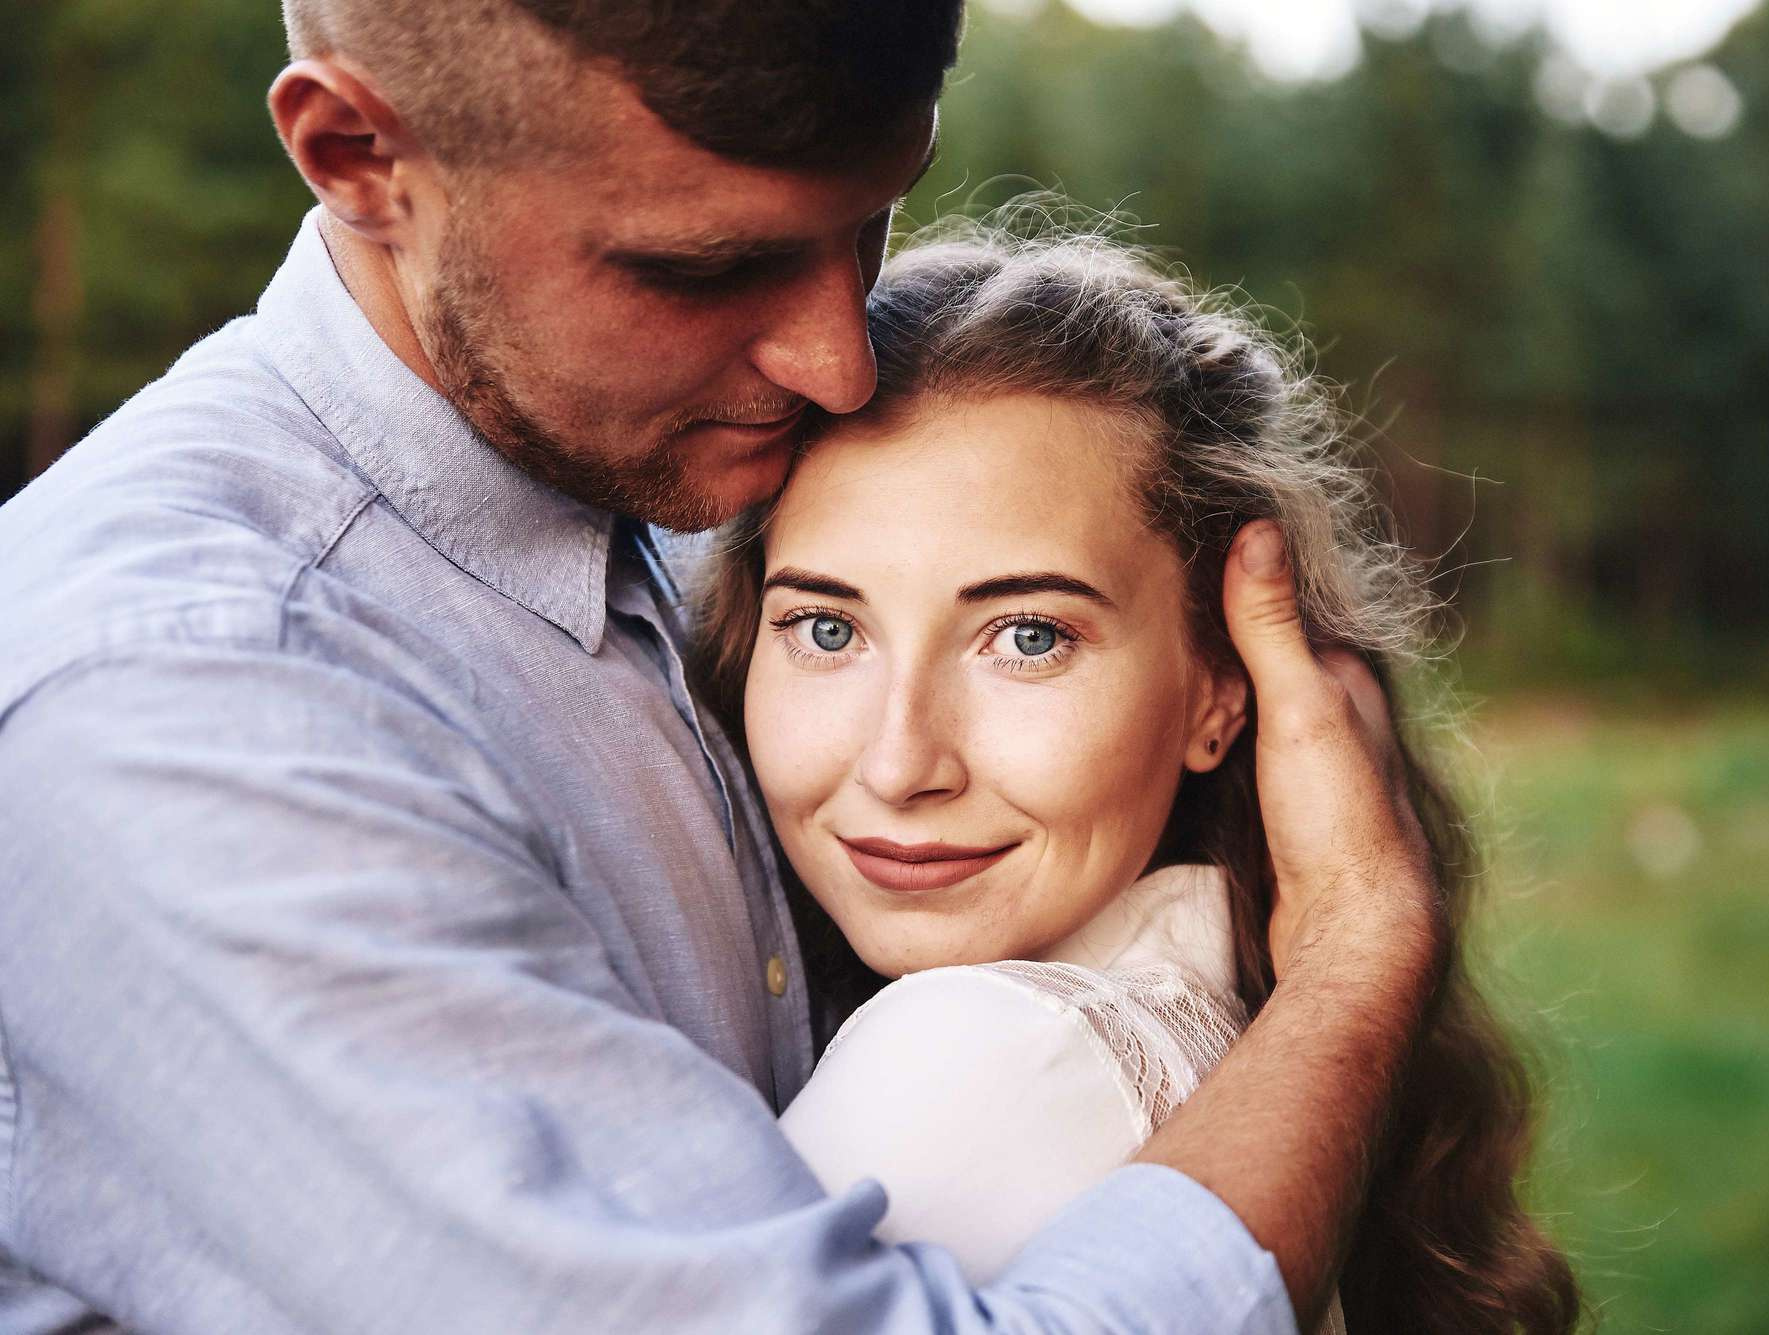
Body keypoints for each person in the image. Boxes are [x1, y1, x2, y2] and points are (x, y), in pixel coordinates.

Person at [0, 4, 1438, 1332]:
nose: (835, 362)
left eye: (871, 222)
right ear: (360, 155)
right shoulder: (186, 698)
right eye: (705, 268)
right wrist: (1354, 959)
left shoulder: (694, 482)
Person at [690, 222, 1581, 1333]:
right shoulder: (1246, 1026)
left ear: (1220, 688)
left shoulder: (975, 1059)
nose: (899, 762)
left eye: (1028, 637)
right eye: (827, 629)